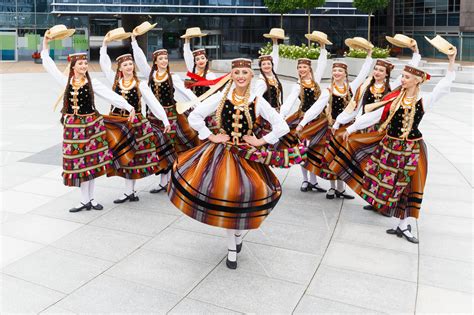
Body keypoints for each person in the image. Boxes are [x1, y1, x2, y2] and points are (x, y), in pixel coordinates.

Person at [168, 58, 290, 269]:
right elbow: (195, 116)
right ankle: (232, 249)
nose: (241, 76)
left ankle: (239, 233)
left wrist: (261, 141)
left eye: (245, 72)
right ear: (231, 76)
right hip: (222, 154)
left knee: (248, 195)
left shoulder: (258, 101)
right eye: (237, 73)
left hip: (247, 156)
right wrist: (211, 136)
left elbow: (282, 126)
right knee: (227, 196)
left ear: (251, 75)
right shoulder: (220, 98)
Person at [333, 50, 456, 243]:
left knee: (410, 186)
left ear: (417, 80)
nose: (403, 80)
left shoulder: (423, 101)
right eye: (404, 77)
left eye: (407, 77)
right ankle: (399, 223)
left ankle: (404, 225)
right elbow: (373, 116)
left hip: (413, 149)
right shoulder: (394, 100)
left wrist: (451, 62)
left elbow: (443, 87)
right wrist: (350, 129)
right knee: (391, 184)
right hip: (391, 148)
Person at [41, 36, 135, 212]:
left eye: (85, 63)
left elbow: (109, 94)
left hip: (92, 125)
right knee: (79, 163)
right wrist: (45, 44)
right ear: (73, 67)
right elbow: (49, 65)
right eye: (80, 64)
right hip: (73, 127)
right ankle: (85, 199)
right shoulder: (66, 81)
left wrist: (128, 106)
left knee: (90, 163)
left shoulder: (92, 83)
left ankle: (89, 199)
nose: (84, 66)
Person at [295, 45, 373, 199]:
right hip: (332, 129)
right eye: (335, 71)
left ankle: (341, 189)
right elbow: (316, 108)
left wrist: (369, 56)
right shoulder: (328, 91)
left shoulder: (351, 87)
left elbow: (364, 73)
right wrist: (303, 123)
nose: (336, 73)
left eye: (340, 71)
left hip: (347, 129)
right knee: (331, 158)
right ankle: (332, 188)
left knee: (344, 158)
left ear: (345, 74)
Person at [99, 41, 171, 203]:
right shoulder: (115, 81)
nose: (129, 67)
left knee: (132, 158)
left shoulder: (141, 85)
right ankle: (129, 191)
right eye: (125, 64)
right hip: (119, 123)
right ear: (120, 68)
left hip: (135, 123)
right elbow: (104, 65)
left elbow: (153, 102)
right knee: (122, 157)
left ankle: (129, 192)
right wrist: (103, 46)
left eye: (131, 64)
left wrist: (164, 119)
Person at [131, 36, 199, 193]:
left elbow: (186, 92)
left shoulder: (172, 77)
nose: (164, 61)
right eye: (160, 59)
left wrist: (199, 105)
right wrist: (134, 42)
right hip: (153, 116)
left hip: (170, 115)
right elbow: (141, 61)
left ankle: (168, 181)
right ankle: (165, 181)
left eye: (165, 58)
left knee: (169, 146)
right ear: (155, 61)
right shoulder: (150, 75)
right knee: (159, 148)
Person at [278, 43, 329, 193]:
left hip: (319, 121)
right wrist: (281, 116)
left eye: (304, 67)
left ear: (309, 69)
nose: (301, 70)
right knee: (304, 150)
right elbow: (289, 102)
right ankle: (306, 180)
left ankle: (313, 180)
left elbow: (322, 64)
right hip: (304, 120)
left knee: (316, 150)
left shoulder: (316, 81)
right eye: (299, 67)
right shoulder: (297, 85)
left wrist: (323, 48)